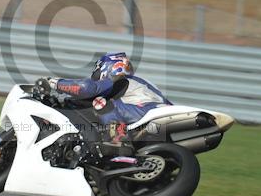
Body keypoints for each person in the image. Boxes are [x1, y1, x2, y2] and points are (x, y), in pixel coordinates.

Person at [35, 52, 171, 144]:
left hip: (148, 113)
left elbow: (87, 88)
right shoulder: (134, 84)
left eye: (98, 69)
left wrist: (53, 83)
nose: (96, 74)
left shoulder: (120, 79)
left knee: (101, 104)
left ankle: (118, 140)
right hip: (154, 117)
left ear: (108, 67)